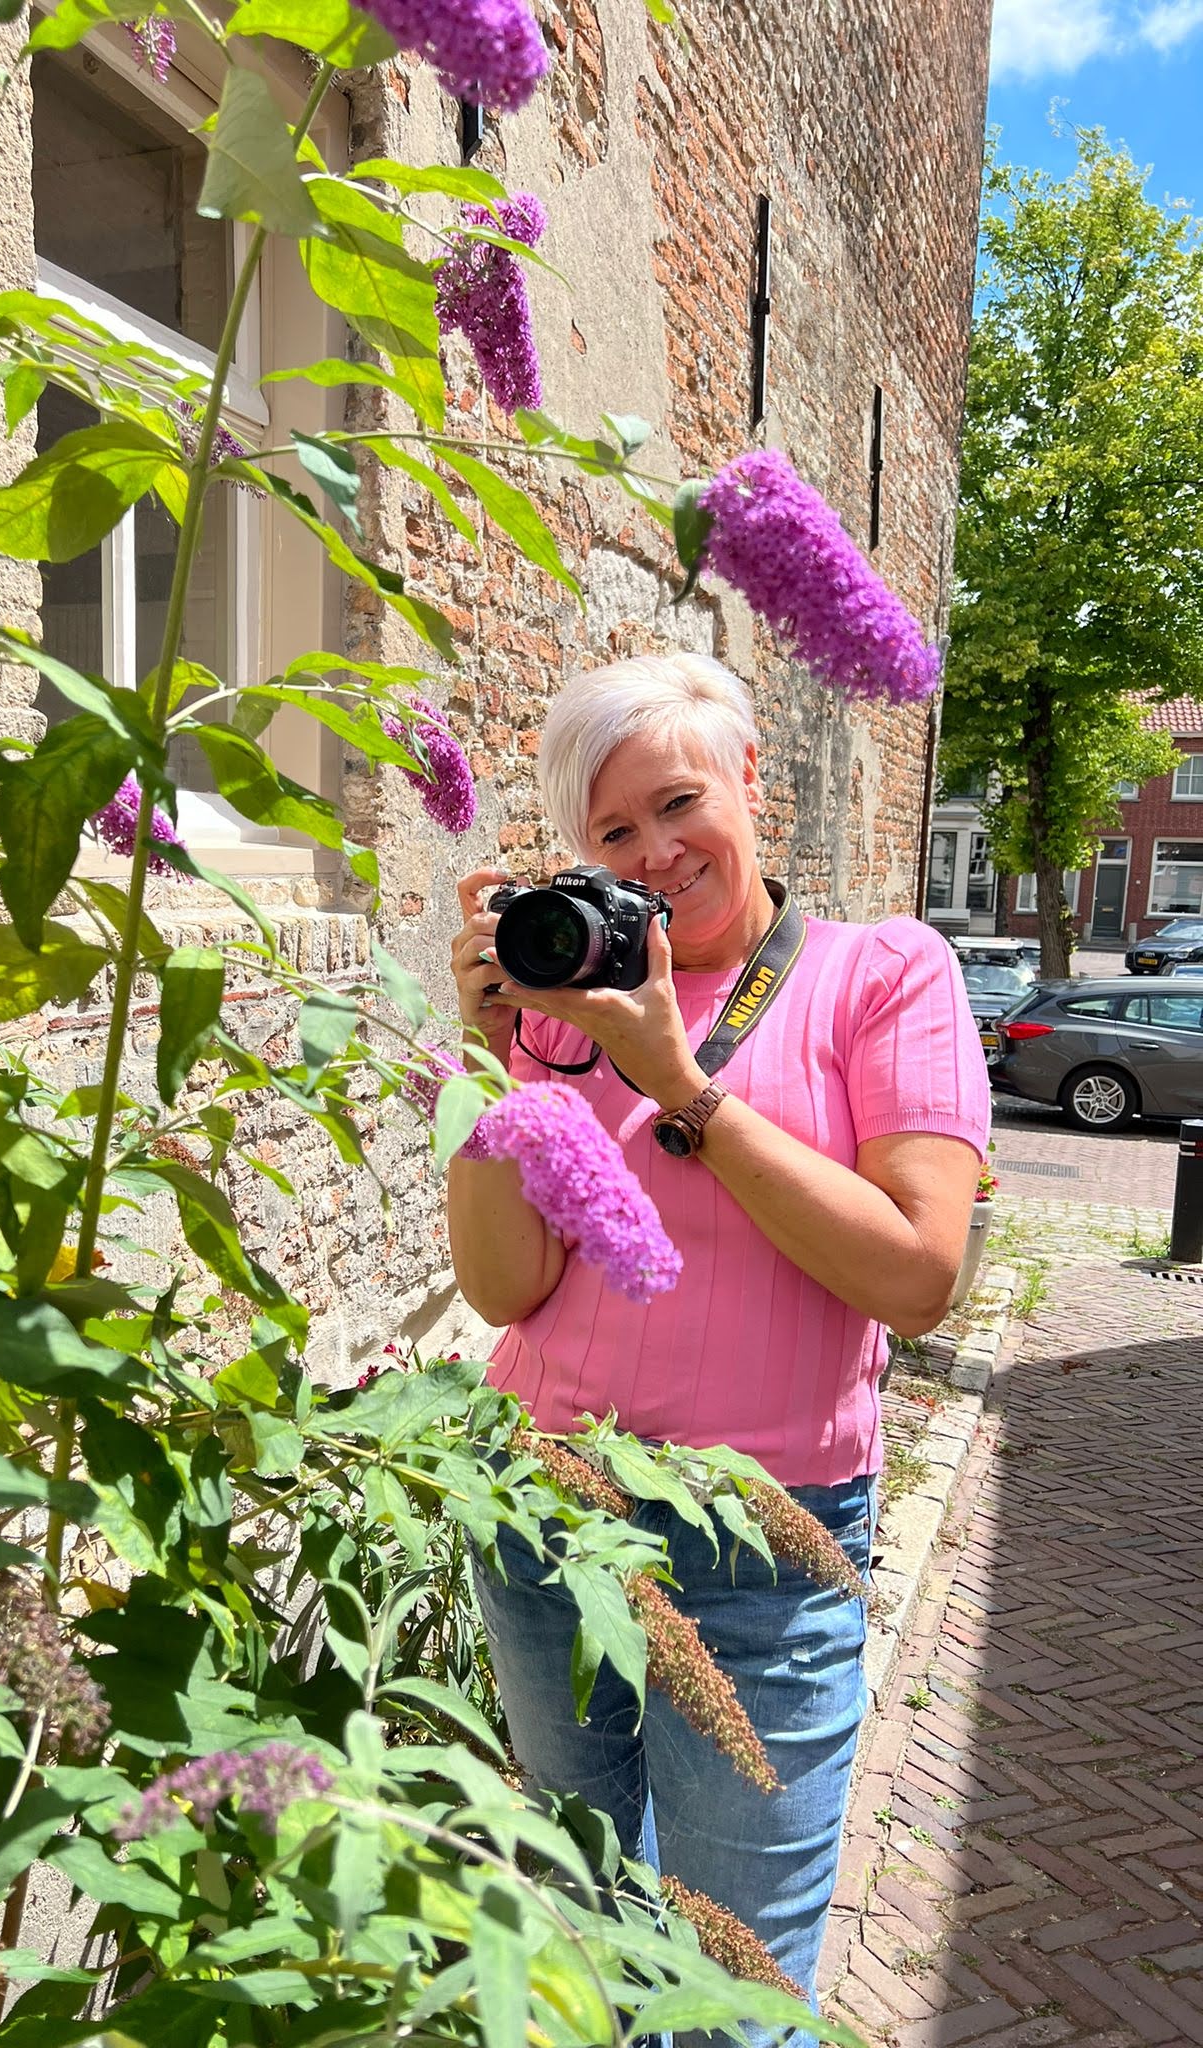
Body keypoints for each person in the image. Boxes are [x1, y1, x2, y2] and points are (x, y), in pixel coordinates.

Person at [447, 651, 989, 2032]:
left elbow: (920, 1276)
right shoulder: (567, 1003)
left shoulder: (880, 975)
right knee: (579, 1928)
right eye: (613, 832)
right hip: (547, 1516)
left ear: (750, 779)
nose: (655, 852)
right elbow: (506, 1289)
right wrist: (491, 1058)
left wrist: (682, 1085)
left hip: (764, 1543)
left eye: (678, 802)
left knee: (733, 1983)